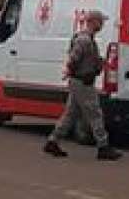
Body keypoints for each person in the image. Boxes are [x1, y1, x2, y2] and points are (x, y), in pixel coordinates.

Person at [44, 10, 122, 161]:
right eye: (101, 21)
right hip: (83, 81)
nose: (102, 25)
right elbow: (74, 57)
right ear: (93, 22)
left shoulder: (86, 39)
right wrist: (69, 69)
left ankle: (53, 140)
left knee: (70, 113)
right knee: (95, 113)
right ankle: (103, 146)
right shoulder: (85, 40)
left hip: (79, 80)